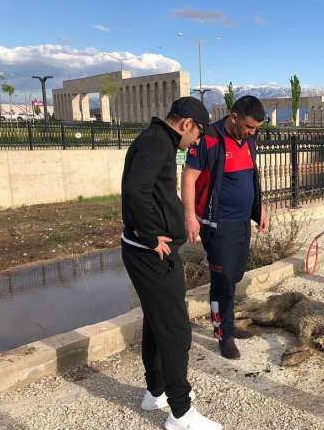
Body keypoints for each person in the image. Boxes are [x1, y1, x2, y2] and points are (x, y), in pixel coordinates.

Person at [121, 97, 222, 430]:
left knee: (157, 321)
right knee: (176, 330)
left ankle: (155, 391)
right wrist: (151, 237)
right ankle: (180, 412)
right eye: (197, 134)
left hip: (147, 250)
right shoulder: (156, 143)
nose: (195, 143)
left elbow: (150, 192)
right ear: (187, 124)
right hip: (150, 253)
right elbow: (136, 191)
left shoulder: (157, 140)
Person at [181, 95, 267, 360]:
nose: (252, 133)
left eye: (255, 129)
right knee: (222, 281)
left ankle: (227, 323)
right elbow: (188, 177)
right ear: (234, 117)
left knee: (236, 275)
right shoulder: (208, 139)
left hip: (242, 222)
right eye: (249, 127)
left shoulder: (249, 139)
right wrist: (190, 216)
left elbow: (250, 176)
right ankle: (224, 334)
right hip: (217, 224)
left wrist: (258, 208)